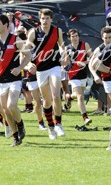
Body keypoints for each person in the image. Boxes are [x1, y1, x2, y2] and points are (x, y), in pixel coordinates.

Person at [0, 14, 31, 147]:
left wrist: (20, 67)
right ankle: (16, 136)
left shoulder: (15, 39)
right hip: (0, 80)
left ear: (6, 25)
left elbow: (28, 55)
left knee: (11, 106)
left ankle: (21, 124)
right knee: (5, 110)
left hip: (14, 78)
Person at [26, 8, 66, 139]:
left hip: (54, 65)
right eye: (43, 18)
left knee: (56, 95)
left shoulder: (57, 31)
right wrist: (28, 64)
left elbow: (62, 46)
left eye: (47, 18)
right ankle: (51, 127)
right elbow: (25, 50)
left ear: (51, 19)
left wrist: (63, 55)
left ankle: (58, 123)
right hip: (41, 69)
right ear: (39, 19)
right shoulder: (33, 32)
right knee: (47, 100)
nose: (45, 21)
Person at [65, 28, 92, 125]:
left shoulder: (85, 45)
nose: (75, 38)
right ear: (69, 38)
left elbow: (92, 57)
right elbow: (66, 62)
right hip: (73, 74)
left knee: (77, 94)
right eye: (73, 36)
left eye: (76, 36)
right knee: (80, 96)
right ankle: (85, 117)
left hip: (83, 74)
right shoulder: (67, 48)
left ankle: (69, 97)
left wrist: (84, 62)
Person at [89, 27, 111, 116]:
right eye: (105, 38)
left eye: (109, 37)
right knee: (106, 92)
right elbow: (91, 64)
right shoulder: (99, 49)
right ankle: (107, 109)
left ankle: (110, 109)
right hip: (103, 73)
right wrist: (95, 75)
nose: (107, 40)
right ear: (102, 38)